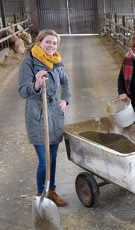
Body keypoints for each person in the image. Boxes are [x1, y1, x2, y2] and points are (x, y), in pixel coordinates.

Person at [18, 29, 71, 207]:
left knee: (53, 158)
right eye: (48, 42)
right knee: (44, 159)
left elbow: (65, 81)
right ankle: (42, 194)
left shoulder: (56, 62)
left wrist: (65, 99)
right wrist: (36, 84)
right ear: (39, 42)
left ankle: (52, 191)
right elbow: (22, 91)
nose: (51, 46)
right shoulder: (29, 62)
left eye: (54, 43)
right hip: (37, 114)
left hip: (54, 113)